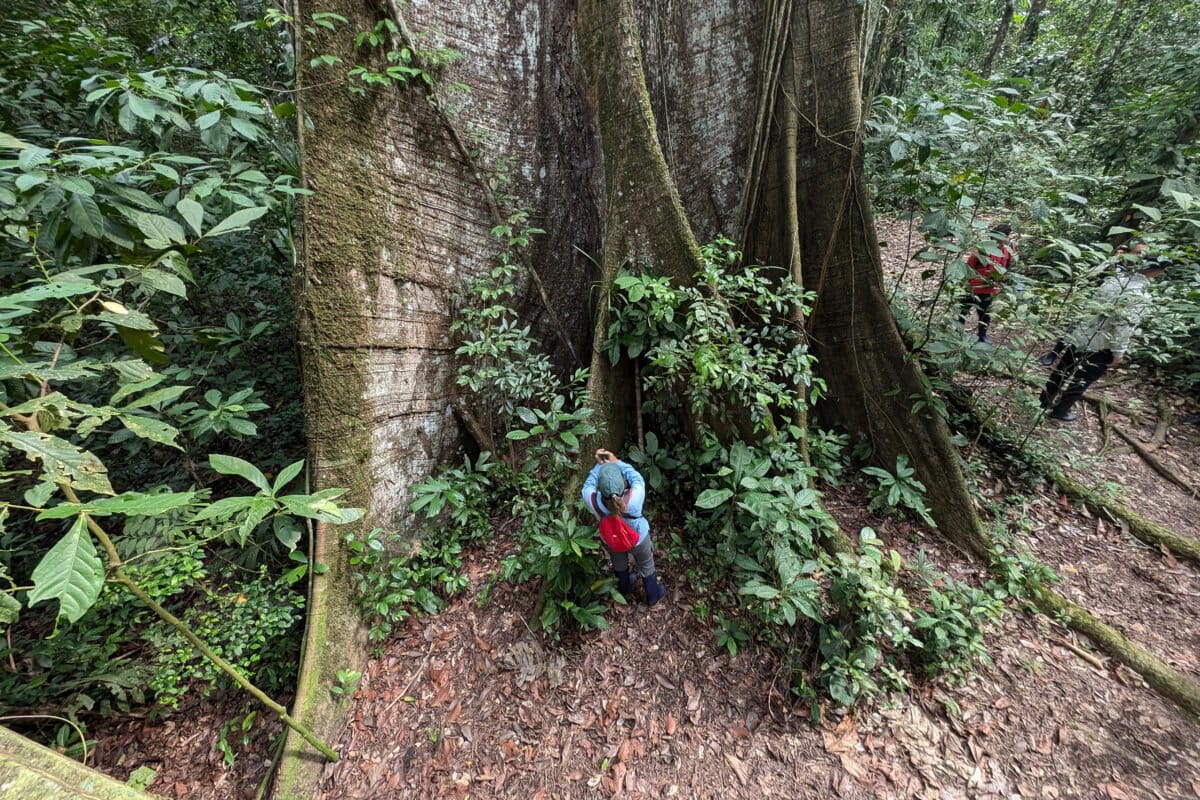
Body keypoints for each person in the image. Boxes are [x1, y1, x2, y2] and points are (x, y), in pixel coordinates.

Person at [1038, 256, 1171, 422]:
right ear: (1158, 272)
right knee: (1082, 379)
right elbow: (1123, 326)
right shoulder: (1138, 294)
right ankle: (1061, 410)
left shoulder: (1114, 280)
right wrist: (1118, 352)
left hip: (1081, 334)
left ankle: (1042, 402)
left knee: (1062, 371)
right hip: (1102, 345)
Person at [1039, 239, 1149, 367]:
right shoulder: (1112, 266)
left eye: (1144, 254)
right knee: (1072, 329)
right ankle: (1055, 353)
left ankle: (1076, 364)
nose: (1141, 257)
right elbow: (1089, 275)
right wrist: (1112, 260)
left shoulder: (1137, 275)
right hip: (1088, 304)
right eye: (1138, 252)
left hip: (1106, 312)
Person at [581, 448, 665, 606]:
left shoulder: (594, 502)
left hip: (612, 540)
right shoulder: (634, 497)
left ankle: (625, 588)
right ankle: (653, 595)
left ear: (600, 487)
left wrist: (599, 466)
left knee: (619, 563)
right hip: (638, 538)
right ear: (622, 483)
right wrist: (615, 461)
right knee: (646, 564)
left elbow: (587, 487)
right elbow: (636, 478)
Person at [959, 223, 1016, 345]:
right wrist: (966, 283)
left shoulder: (1007, 250)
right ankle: (957, 333)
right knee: (964, 310)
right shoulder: (982, 249)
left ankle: (982, 335)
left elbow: (1008, 265)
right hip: (974, 286)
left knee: (985, 314)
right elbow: (969, 265)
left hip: (991, 288)